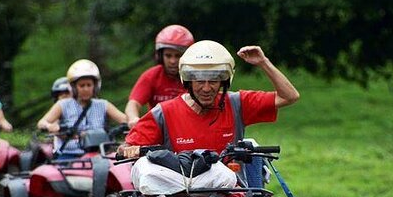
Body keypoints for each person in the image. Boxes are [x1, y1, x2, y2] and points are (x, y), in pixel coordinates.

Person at [119, 40, 299, 158]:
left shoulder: (238, 103)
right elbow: (126, 147)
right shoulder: (163, 112)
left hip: (231, 196)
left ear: (224, 81)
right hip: (179, 196)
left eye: (213, 80)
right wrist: (129, 150)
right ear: (187, 81)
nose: (206, 88)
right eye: (199, 81)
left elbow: (289, 96)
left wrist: (263, 62)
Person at [37, 59, 127, 158]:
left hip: (98, 155)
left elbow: (126, 120)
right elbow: (42, 122)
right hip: (69, 155)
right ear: (74, 87)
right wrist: (50, 126)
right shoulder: (63, 104)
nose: (86, 89)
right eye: (81, 85)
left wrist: (128, 125)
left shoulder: (103, 105)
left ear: (95, 86)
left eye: (89, 85)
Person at [124, 24, 194, 127]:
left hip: (188, 129)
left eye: (178, 56)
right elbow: (133, 103)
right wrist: (134, 119)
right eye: (168, 56)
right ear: (160, 56)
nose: (173, 61)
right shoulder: (152, 76)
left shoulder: (195, 77)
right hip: (158, 131)